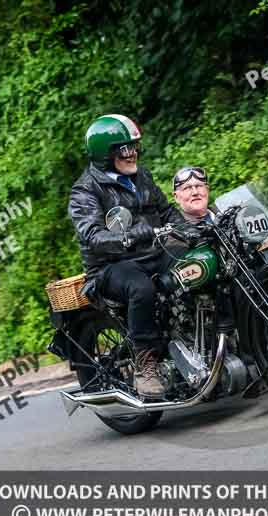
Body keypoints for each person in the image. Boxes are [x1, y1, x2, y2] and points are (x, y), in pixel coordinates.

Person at [68, 114, 185, 398]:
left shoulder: (141, 176)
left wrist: (186, 227)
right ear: (105, 154)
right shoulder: (85, 190)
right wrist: (127, 236)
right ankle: (146, 367)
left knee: (199, 263)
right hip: (111, 266)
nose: (132, 153)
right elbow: (92, 235)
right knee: (140, 288)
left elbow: (165, 210)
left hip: (152, 252)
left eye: (134, 147)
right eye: (124, 148)